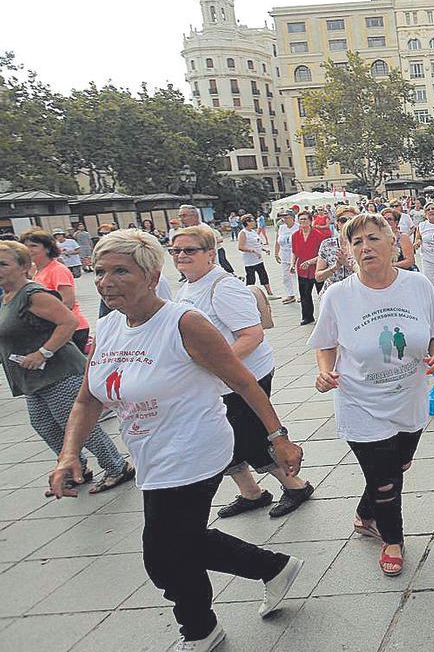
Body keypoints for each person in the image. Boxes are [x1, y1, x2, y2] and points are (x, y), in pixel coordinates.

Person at [49, 230, 307, 652]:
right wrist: (68, 454)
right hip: (151, 452)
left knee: (164, 555)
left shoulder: (184, 322)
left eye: (120, 271)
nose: (106, 282)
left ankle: (200, 630)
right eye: (99, 272)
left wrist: (279, 437)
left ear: (152, 276)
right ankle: (273, 567)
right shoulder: (110, 326)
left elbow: (243, 381)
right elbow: (87, 398)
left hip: (196, 448)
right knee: (181, 543)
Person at [310, 213, 434, 575]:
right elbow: (325, 344)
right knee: (386, 480)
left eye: (372, 238)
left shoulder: (418, 286)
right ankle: (392, 539)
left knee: (398, 465)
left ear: (392, 242)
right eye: (356, 242)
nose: (365, 247)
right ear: (348, 251)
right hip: (361, 403)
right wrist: (325, 372)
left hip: (410, 399)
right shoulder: (338, 295)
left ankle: (365, 513)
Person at [172, 227, 313, 519]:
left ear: (210, 253)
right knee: (222, 438)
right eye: (176, 251)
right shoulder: (187, 287)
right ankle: (252, 492)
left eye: (190, 250)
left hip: (245, 376)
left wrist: (219, 364)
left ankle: (296, 486)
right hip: (214, 382)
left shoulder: (222, 286)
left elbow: (252, 335)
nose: (181, 256)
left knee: (250, 438)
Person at [0, 240, 134, 495]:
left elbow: (68, 322)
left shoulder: (32, 294)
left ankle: (117, 467)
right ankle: (76, 468)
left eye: (3, 264)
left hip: (59, 374)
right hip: (32, 378)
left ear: (23, 266)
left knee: (77, 425)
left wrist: (43, 352)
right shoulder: (7, 296)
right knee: (44, 425)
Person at [22, 228, 91, 352]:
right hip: (55, 327)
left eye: (33, 246)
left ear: (47, 248)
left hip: (71, 329)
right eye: (25, 246)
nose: (28, 250)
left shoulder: (57, 270)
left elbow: (68, 303)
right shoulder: (38, 270)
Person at [291, 211, 330, 325]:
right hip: (302, 269)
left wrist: (310, 262)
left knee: (322, 294)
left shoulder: (318, 235)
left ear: (310, 220)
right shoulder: (295, 235)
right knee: (304, 294)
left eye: (305, 219)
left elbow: (323, 254)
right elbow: (294, 251)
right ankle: (307, 316)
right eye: (301, 219)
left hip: (317, 268)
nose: (303, 221)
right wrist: (292, 264)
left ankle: (326, 317)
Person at [180, 204, 234, 274]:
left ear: (195, 216)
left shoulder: (203, 230)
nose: (181, 219)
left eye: (184, 216)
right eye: (180, 216)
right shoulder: (188, 229)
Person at [316, 206, 359, 288]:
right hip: (332, 294)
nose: (347, 223)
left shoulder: (364, 244)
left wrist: (347, 264)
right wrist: (335, 267)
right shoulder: (327, 244)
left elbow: (370, 275)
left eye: (352, 220)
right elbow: (318, 277)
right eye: (343, 220)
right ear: (337, 223)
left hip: (356, 293)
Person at [237, 214, 274, 295]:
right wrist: (252, 251)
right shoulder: (243, 233)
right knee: (251, 279)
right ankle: (248, 294)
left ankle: (270, 293)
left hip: (258, 259)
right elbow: (240, 247)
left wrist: (264, 249)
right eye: (253, 221)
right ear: (247, 222)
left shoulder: (253, 231)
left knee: (263, 276)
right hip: (249, 261)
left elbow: (257, 244)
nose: (255, 222)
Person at [273, 210, 299, 305]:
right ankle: (290, 295)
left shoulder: (298, 227)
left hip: (296, 255)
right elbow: (277, 241)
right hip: (284, 255)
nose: (284, 219)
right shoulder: (282, 228)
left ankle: (300, 294)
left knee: (297, 276)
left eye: (287, 217)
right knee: (286, 276)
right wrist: (276, 253)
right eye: (283, 217)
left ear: (292, 218)